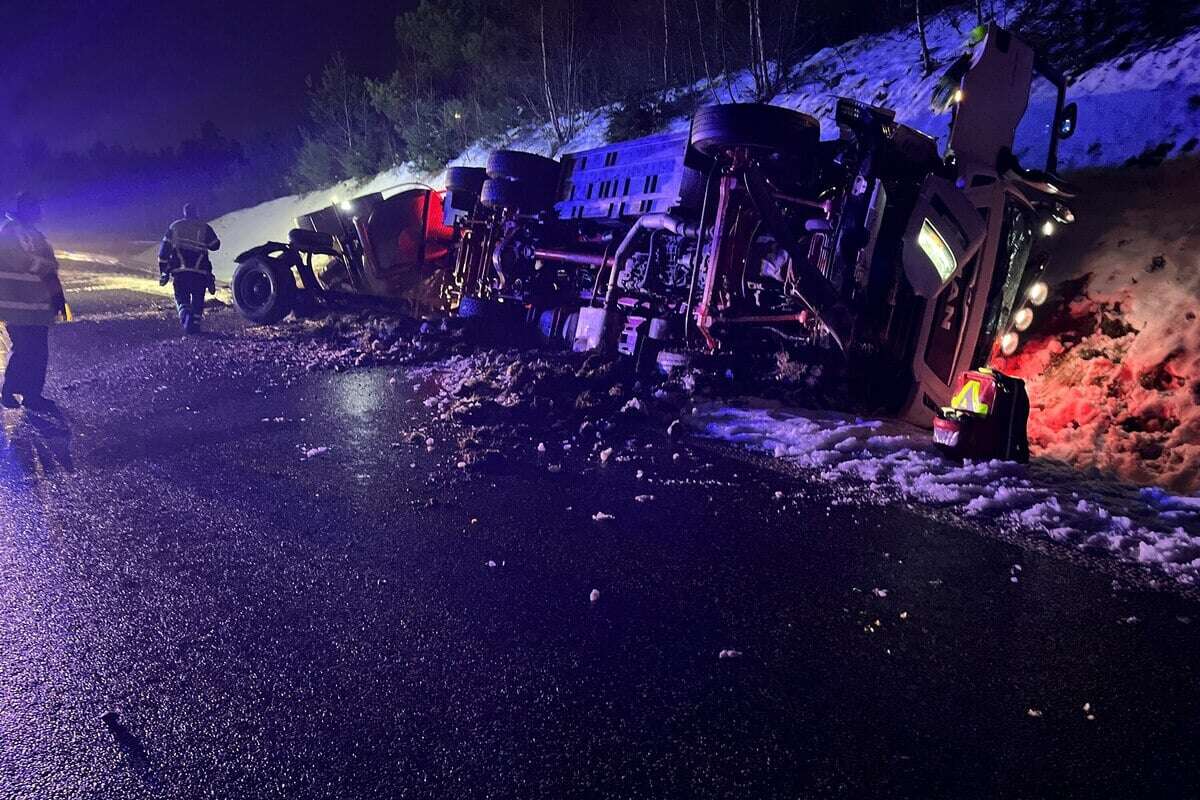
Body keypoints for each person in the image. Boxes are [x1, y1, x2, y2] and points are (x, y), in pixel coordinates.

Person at [0, 192, 66, 412]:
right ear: (26, 208)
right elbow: (21, 260)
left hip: (37, 305)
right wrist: (46, 267)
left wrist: (57, 296)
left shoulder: (34, 233)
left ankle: (32, 395)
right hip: (18, 304)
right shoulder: (11, 231)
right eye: (36, 207)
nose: (39, 211)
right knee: (25, 349)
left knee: (38, 351)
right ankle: (9, 390)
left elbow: (52, 264)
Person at [158, 203, 220, 333]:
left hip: (180, 271)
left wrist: (164, 270)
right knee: (198, 298)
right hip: (200, 271)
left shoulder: (175, 226)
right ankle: (196, 323)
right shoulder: (204, 228)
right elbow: (215, 245)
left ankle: (186, 315)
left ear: (184, 213)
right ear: (196, 212)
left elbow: (164, 250)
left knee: (181, 297)